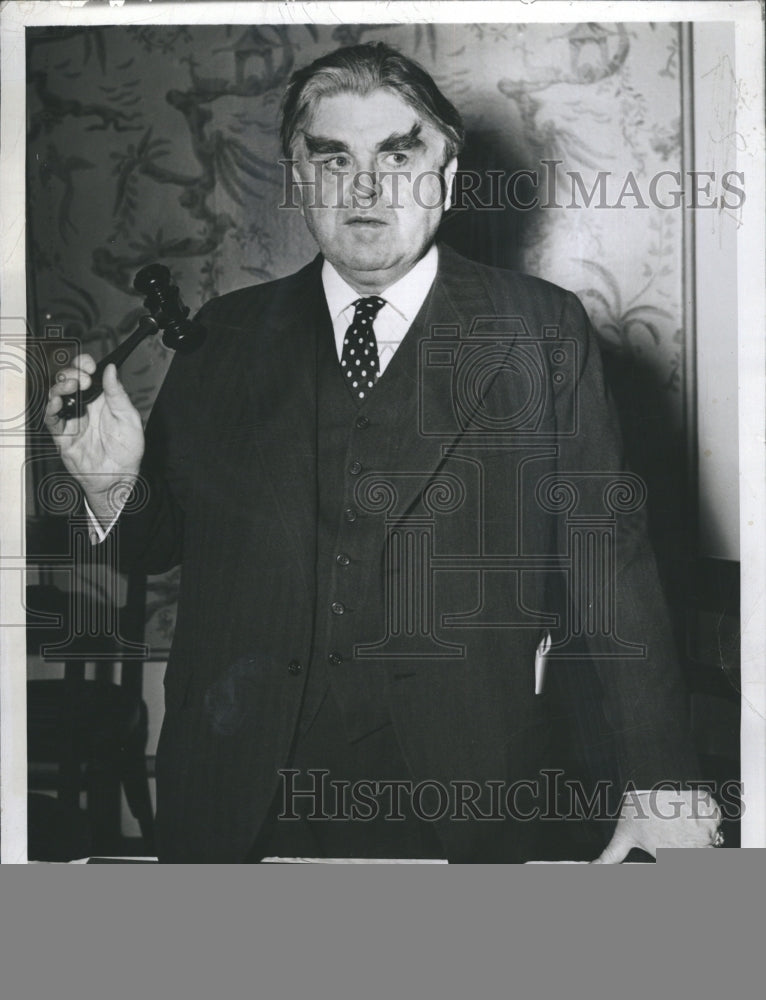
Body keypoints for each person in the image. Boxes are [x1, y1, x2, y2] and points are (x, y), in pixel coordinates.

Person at [46, 42, 722, 863]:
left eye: (397, 156)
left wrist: (662, 781)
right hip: (235, 794)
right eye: (333, 158)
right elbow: (155, 547)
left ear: (444, 174)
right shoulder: (223, 336)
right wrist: (110, 481)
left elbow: (607, 562)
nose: (365, 189)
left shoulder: (538, 330)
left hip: (468, 791)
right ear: (299, 180)